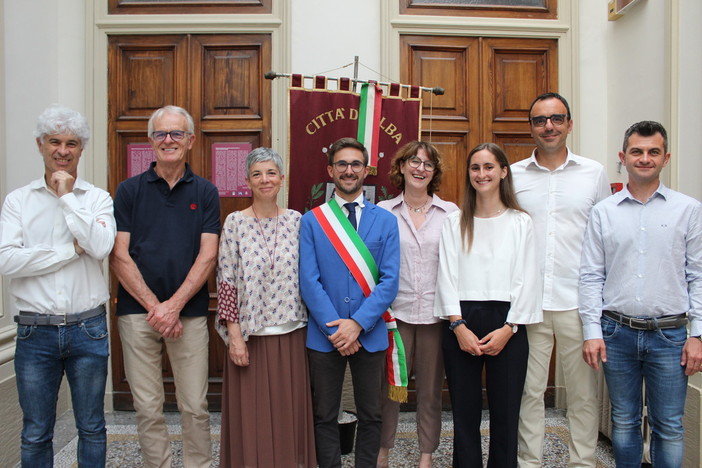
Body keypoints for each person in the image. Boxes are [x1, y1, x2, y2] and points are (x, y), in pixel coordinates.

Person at [579, 120, 702, 467]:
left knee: (669, 426)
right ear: (623, 157)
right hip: (617, 334)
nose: (644, 158)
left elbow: (698, 276)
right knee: (624, 422)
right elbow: (590, 276)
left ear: (666, 158)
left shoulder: (688, 210)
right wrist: (591, 332)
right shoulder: (603, 212)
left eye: (653, 152)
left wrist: (699, 335)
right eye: (637, 151)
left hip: (671, 336)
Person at [0, 105, 116, 467]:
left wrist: (67, 197)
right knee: (36, 431)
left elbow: (99, 247)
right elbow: (7, 261)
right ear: (40, 145)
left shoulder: (97, 198)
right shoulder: (18, 201)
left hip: (88, 330)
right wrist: (69, 250)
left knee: (93, 427)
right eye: (55, 142)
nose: (63, 151)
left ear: (82, 149)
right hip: (36, 332)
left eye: (72, 143)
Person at [111, 105, 220, 468]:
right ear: (150, 141)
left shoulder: (205, 192)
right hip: (136, 314)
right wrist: (156, 308)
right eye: (161, 134)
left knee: (195, 405)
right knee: (147, 407)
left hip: (187, 314)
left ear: (190, 141)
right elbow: (119, 256)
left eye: (176, 134)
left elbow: (207, 256)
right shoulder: (128, 191)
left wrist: (172, 307)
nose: (168, 140)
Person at [512, 92, 610, 468]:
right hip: (529, 303)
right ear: (531, 128)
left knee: (583, 395)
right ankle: (528, 462)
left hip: (578, 302)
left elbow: (604, 237)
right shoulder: (515, 174)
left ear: (569, 124)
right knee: (528, 392)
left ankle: (582, 462)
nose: (548, 126)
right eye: (540, 120)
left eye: (556, 119)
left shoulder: (594, 173)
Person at [435, 142, 541, 467]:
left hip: (507, 323)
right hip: (461, 322)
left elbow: (528, 279)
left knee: (506, 415)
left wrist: (509, 329)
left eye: (489, 167)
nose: (482, 174)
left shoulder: (520, 222)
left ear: (503, 172)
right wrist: (457, 325)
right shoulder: (454, 222)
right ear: (469, 175)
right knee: (464, 416)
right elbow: (446, 275)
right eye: (475, 168)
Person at [299, 137, 400, 468]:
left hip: (368, 333)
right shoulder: (313, 220)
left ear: (366, 170)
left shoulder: (384, 220)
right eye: (341, 164)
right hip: (324, 334)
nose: (349, 170)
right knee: (324, 413)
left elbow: (389, 281)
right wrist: (336, 328)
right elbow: (309, 281)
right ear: (330, 170)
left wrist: (356, 324)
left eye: (356, 164)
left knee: (371, 413)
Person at [216, 147, 316, 467]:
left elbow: (311, 275)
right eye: (257, 174)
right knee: (253, 416)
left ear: (282, 178)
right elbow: (227, 280)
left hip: (291, 334)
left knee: (288, 414)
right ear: (247, 180)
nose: (265, 179)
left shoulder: (297, 221)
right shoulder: (235, 223)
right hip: (250, 336)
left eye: (271, 172)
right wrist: (234, 336)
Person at [376, 141, 457, 468]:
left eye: (427, 164)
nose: (420, 168)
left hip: (436, 317)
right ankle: (383, 450)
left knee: (429, 392)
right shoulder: (383, 212)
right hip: (395, 316)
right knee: (390, 390)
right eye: (414, 161)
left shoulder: (450, 213)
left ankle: (426, 455)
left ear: (434, 172)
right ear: (402, 167)